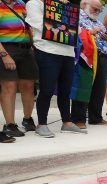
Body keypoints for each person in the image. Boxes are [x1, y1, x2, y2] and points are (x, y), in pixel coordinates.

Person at [26, 0, 85, 137]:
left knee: (65, 91)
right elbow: (39, 25)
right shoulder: (35, 3)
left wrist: (64, 15)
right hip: (47, 50)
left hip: (68, 52)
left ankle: (67, 122)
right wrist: (64, 26)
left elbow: (78, 29)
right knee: (46, 89)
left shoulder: (67, 6)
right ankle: (42, 124)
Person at [72, 0, 107, 127]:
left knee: (99, 89)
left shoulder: (99, 22)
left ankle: (95, 117)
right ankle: (78, 118)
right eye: (95, 9)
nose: (97, 12)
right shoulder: (77, 16)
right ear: (85, 5)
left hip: (102, 57)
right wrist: (91, 32)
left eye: (99, 10)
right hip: (86, 56)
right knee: (83, 86)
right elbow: (73, 34)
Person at [0, 0, 38, 142]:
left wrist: (33, 44)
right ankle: (10, 124)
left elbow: (28, 25)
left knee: (29, 85)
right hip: (6, 48)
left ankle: (27, 119)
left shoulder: (21, 4)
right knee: (9, 86)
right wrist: (4, 55)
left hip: (26, 49)